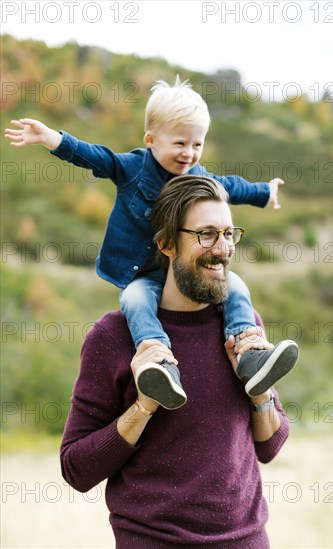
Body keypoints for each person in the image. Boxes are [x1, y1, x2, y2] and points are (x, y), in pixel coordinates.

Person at [4, 77, 297, 410]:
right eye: (180, 143)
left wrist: (264, 192)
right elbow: (95, 157)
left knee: (236, 286)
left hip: (181, 270)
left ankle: (249, 353)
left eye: (196, 145)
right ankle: (160, 365)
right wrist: (52, 139)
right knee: (134, 300)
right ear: (151, 140)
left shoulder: (198, 178)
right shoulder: (132, 169)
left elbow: (230, 186)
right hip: (142, 272)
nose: (189, 153)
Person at [60, 174, 295, 549]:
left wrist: (259, 394)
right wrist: (144, 405)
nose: (222, 248)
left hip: (246, 541)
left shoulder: (242, 326)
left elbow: (270, 446)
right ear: (166, 244)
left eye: (229, 233)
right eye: (206, 234)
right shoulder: (113, 338)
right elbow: (77, 469)